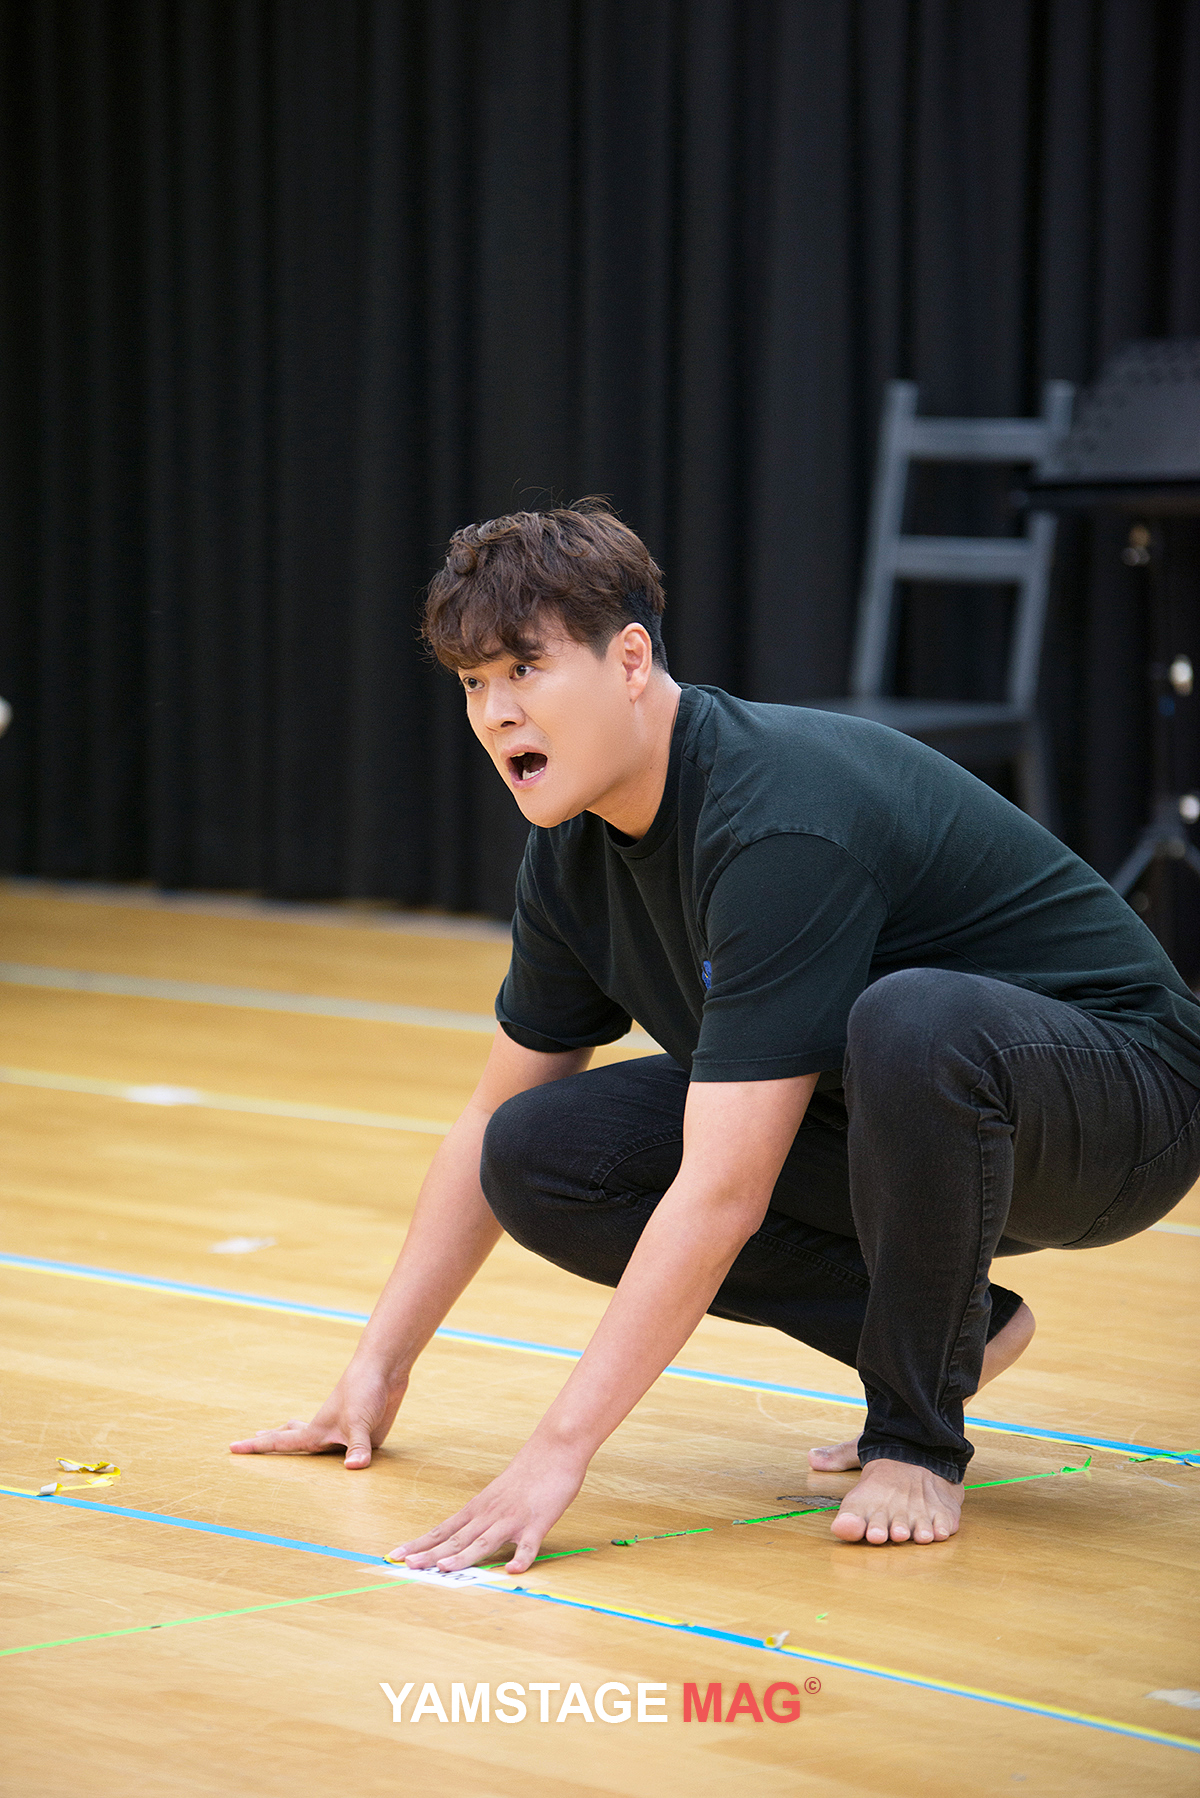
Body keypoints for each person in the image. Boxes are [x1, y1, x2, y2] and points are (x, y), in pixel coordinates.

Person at [232, 501, 1200, 1559]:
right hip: (906, 1125)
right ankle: (955, 1330)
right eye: (472, 682)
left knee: (913, 1016)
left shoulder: (775, 818)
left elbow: (725, 1191)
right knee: (536, 1152)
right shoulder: (571, 850)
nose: (496, 712)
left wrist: (557, 1453)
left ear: (629, 660)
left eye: (524, 669)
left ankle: (917, 1438)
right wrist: (376, 1370)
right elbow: (485, 1119)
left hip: (1123, 1106)